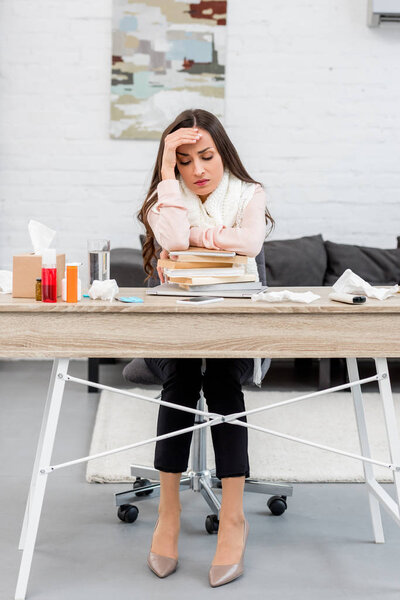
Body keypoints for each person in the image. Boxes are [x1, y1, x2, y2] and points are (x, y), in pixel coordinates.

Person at [137, 108, 274, 587]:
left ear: (224, 154)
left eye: (207, 156)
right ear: (171, 166)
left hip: (232, 331)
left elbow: (251, 244)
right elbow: (172, 238)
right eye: (184, 159)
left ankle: (233, 518)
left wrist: (194, 240)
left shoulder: (249, 195)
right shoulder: (165, 198)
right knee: (180, 373)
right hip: (170, 335)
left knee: (216, 376)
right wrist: (165, 179)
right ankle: (168, 513)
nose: (198, 170)